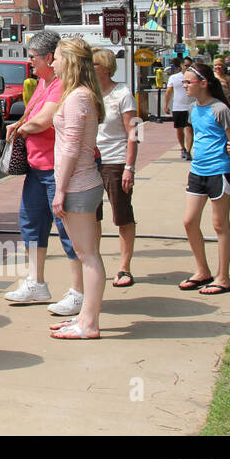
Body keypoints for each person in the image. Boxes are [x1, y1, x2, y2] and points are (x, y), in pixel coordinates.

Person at [3, 30, 87, 316]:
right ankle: (36, 282)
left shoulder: (61, 85)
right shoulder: (42, 82)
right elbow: (32, 115)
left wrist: (19, 128)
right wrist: (23, 125)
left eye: (33, 57)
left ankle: (78, 291)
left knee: (68, 231)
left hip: (56, 169)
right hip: (38, 168)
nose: (30, 62)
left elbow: (41, 121)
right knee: (31, 225)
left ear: (50, 58)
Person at [42, 38, 106, 339]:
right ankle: (85, 317)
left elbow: (71, 148)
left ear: (68, 60)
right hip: (80, 183)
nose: (51, 63)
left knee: (88, 255)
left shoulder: (78, 97)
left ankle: (89, 323)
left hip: (79, 184)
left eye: (54, 57)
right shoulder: (78, 94)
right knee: (86, 253)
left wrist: (60, 189)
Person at [178, 62, 230, 295]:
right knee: (189, 221)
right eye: (183, 81)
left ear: (203, 84)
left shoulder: (220, 109)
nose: (184, 85)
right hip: (198, 171)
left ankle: (223, 277)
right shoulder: (193, 109)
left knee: (219, 224)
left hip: (220, 170)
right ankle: (202, 271)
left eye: (188, 82)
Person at [93, 48, 140, 288]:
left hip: (115, 160)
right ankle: (94, 265)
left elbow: (133, 132)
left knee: (121, 214)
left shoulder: (123, 93)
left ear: (106, 67)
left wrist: (129, 167)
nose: (90, 68)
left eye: (94, 65)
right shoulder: (88, 93)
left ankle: (124, 267)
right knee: (92, 215)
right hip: (91, 161)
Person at [164, 56, 194, 159]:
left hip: (191, 107)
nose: (188, 67)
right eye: (186, 65)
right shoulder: (173, 77)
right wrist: (166, 105)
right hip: (178, 107)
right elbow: (169, 92)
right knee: (179, 129)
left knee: (189, 129)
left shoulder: (194, 77)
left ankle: (189, 151)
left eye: (190, 66)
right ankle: (182, 148)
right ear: (181, 65)